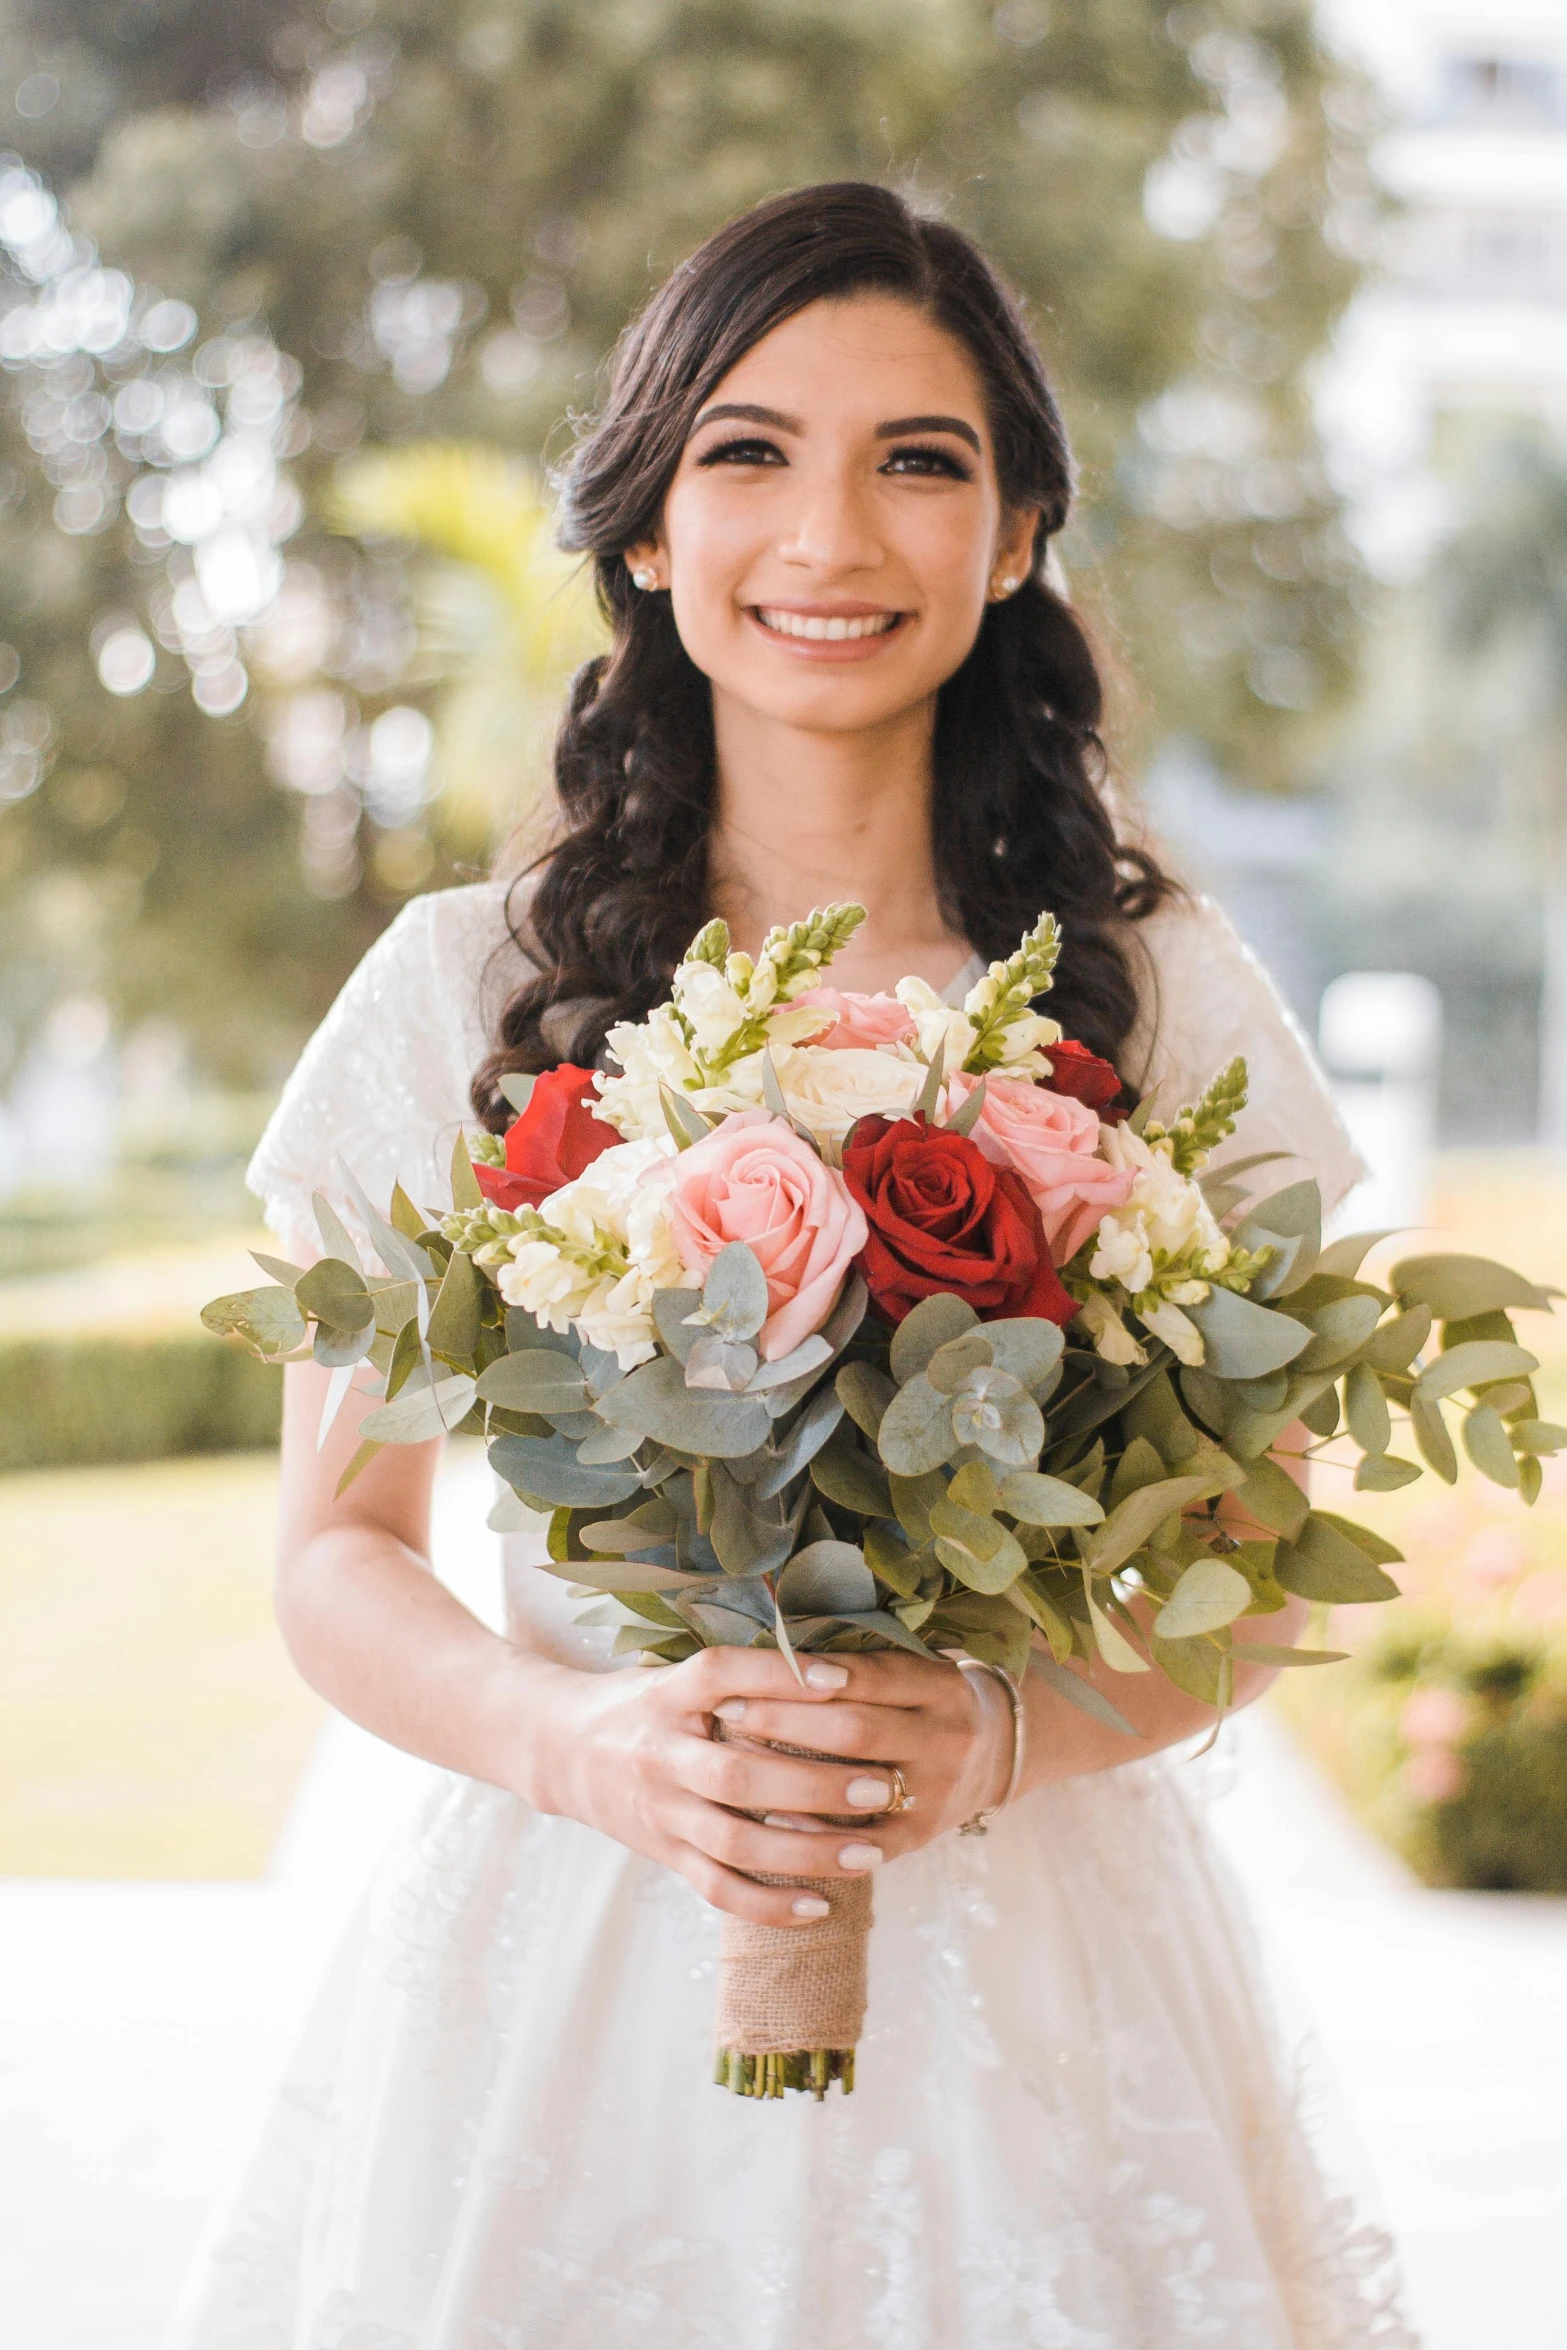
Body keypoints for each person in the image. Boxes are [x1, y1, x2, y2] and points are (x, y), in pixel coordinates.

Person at [168, 183, 1415, 2348]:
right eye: (749, 451)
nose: (828, 535)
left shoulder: (1165, 1000)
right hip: (576, 1951)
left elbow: (1277, 1544)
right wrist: (591, 1746)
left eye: (917, 461)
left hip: (1045, 1971)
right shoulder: (461, 990)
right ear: (648, 527)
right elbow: (335, 1555)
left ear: (1017, 533)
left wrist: (1016, 1733)